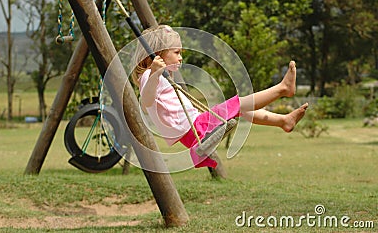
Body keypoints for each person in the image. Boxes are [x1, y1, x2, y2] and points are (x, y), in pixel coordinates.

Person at [132, 25, 308, 168]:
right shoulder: (150, 76)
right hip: (196, 129)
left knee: (242, 111)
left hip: (195, 128)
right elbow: (146, 101)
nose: (180, 58)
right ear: (158, 54)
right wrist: (155, 73)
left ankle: (283, 121)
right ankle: (283, 88)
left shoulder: (160, 77)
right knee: (239, 103)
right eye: (177, 53)